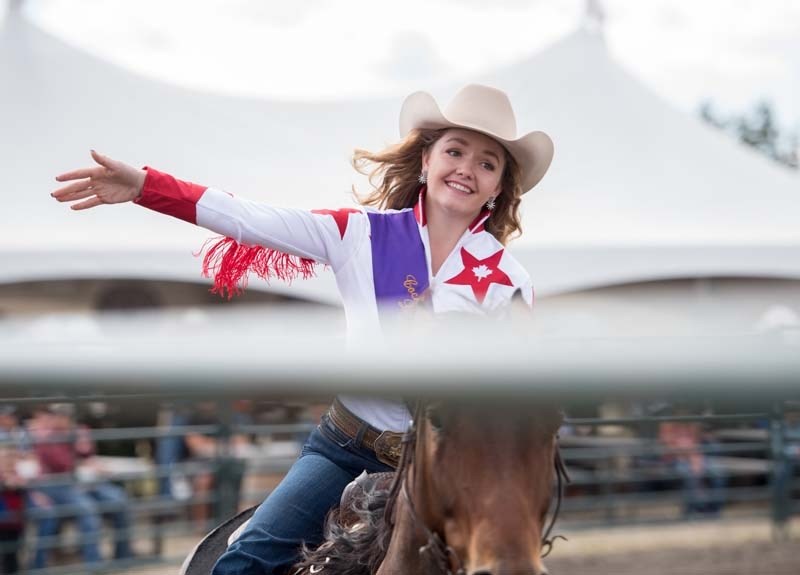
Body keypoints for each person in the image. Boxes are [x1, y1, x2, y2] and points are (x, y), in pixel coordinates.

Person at [52, 84, 554, 574]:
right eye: (455, 151)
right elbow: (250, 218)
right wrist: (146, 186)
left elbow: (511, 400)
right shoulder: (360, 233)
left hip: (445, 467)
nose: (467, 169)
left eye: (487, 163)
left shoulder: (509, 281)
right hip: (345, 448)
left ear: (498, 186)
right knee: (247, 560)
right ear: (426, 160)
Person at [27, 404, 134, 566]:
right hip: (58, 485)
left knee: (120, 500)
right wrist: (79, 454)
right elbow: (63, 464)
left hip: (83, 483)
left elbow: (87, 453)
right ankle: (94, 563)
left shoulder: (76, 432)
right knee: (87, 510)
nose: (65, 419)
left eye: (67, 416)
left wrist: (83, 449)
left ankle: (123, 556)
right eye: (60, 415)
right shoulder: (47, 437)